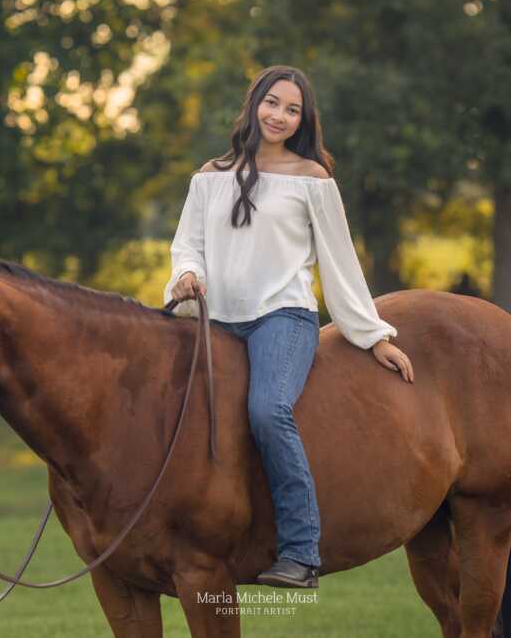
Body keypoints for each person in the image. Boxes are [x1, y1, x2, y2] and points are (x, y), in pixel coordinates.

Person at [164, 65, 414, 589]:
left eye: (292, 109)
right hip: (217, 323)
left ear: (303, 120)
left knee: (267, 409)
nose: (279, 115)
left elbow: (340, 263)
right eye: (272, 102)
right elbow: (188, 244)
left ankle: (301, 552)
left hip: (283, 317)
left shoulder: (312, 179)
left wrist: (375, 335)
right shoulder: (209, 176)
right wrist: (187, 274)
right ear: (254, 103)